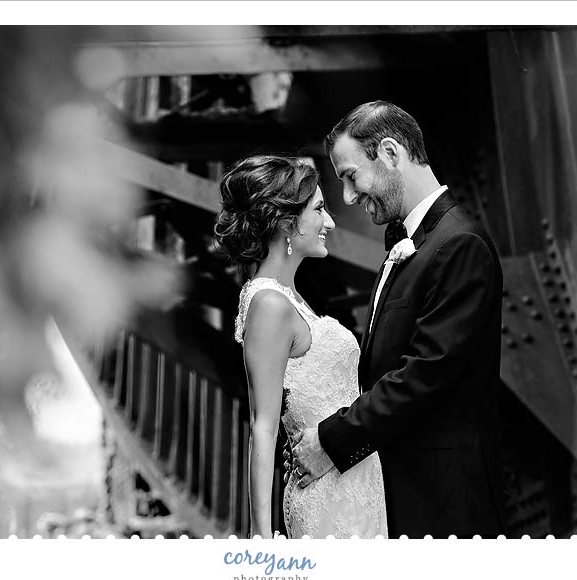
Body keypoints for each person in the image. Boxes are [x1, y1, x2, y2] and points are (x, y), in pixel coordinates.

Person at [290, 101, 507, 538]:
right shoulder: (413, 243)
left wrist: (333, 440)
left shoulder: (459, 244)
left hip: (442, 506)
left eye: (351, 176)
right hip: (404, 498)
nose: (348, 197)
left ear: (390, 153)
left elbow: (423, 374)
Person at [214, 155, 387, 539]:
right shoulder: (269, 305)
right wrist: (261, 536)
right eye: (320, 209)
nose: (330, 221)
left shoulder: (289, 299)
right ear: (287, 222)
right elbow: (263, 425)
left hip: (354, 487)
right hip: (328, 498)